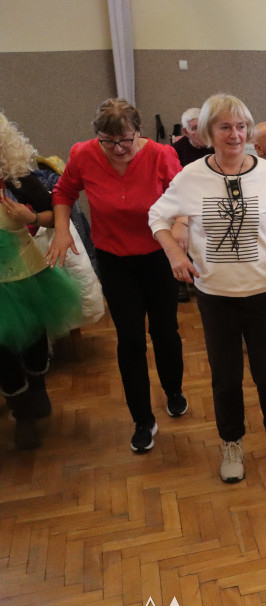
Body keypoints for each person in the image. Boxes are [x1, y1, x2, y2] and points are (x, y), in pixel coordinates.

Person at [148, 94, 266, 484]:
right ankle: (231, 442)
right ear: (208, 132)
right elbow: (157, 216)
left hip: (263, 291)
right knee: (225, 375)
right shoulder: (190, 177)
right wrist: (173, 254)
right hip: (215, 295)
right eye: (224, 127)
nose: (234, 135)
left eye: (240, 126)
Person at [48, 98, 186, 453]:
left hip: (157, 256)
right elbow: (64, 192)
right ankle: (143, 419)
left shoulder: (159, 154)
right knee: (130, 339)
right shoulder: (83, 154)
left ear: (138, 132)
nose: (119, 149)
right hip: (114, 259)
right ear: (97, 138)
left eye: (126, 140)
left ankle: (173, 389)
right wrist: (62, 231)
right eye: (109, 142)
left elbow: (184, 197)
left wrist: (182, 227)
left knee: (164, 329)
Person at [0, 113, 80, 450]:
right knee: (2, 353)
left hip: (26, 276)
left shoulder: (16, 177)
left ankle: (38, 388)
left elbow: (58, 212)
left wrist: (29, 216)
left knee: (33, 341)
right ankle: (22, 414)